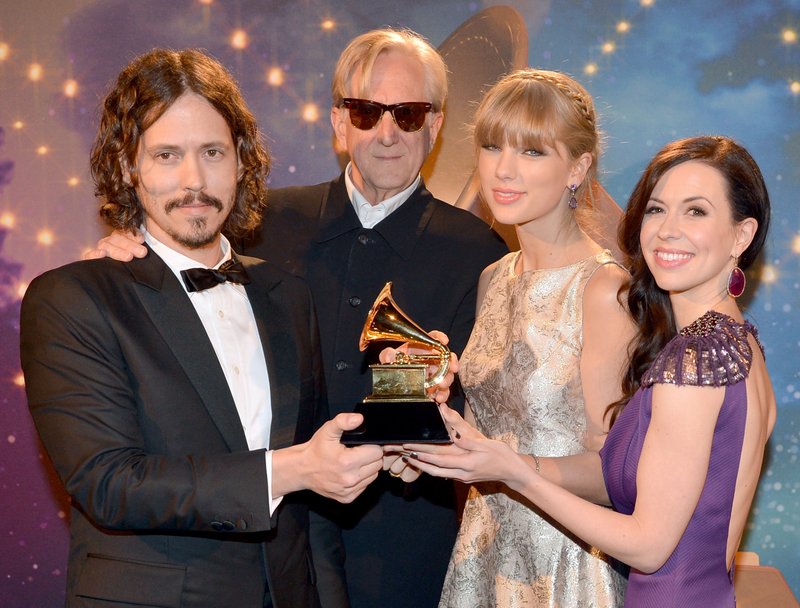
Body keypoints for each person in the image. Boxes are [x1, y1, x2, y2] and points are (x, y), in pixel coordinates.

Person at [88, 28, 508, 608]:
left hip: (404, 548)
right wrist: (126, 250)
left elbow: (478, 407)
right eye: (366, 112)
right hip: (266, 547)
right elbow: (177, 264)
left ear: (434, 126)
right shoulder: (257, 221)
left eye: (408, 114)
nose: (386, 133)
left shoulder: (479, 250)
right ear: (339, 123)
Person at [20, 48, 387, 608]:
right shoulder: (72, 298)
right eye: (167, 155)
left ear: (241, 160)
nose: (194, 180)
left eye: (213, 152)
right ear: (127, 167)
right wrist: (286, 469)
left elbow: (312, 510)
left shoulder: (286, 295)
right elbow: (109, 483)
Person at [406, 135, 776, 607]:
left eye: (696, 211)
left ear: (742, 235)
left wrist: (519, 477)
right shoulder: (739, 343)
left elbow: (648, 546)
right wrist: (487, 451)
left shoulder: (694, 361)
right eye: (657, 209)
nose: (667, 230)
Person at [395, 68, 633, 606]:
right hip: (483, 554)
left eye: (531, 152)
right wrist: (425, 425)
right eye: (492, 145)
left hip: (567, 565)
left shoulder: (603, 290)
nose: (503, 169)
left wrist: (514, 469)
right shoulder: (494, 277)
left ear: (578, 167)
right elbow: (483, 442)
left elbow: (613, 475)